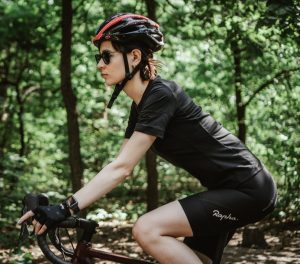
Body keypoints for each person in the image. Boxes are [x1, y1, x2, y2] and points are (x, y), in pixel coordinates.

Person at [18, 13, 277, 264]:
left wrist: (65, 209)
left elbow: (122, 169)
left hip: (249, 189)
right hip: (227, 190)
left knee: (146, 229)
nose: (100, 64)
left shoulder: (161, 94)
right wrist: (65, 204)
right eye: (99, 57)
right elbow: (118, 164)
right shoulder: (140, 105)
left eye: (107, 56)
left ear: (134, 56)